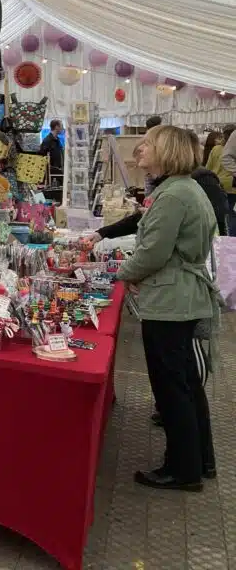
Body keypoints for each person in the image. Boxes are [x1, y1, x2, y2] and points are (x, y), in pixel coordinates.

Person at [116, 125, 217, 491]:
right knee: (186, 382)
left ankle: (182, 469)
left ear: (167, 151)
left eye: (148, 145)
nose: (140, 149)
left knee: (172, 385)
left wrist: (120, 272)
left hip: (170, 300)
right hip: (180, 296)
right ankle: (199, 460)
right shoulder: (183, 189)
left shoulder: (173, 195)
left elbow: (153, 254)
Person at [207, 125, 236, 235]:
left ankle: (226, 236)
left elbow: (208, 168)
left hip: (219, 185)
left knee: (223, 214)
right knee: (232, 214)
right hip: (232, 186)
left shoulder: (216, 149)